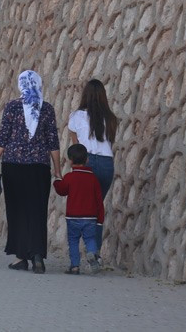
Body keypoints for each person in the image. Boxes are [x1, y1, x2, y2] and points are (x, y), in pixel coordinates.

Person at [0, 70, 61, 274]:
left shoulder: (12, 107)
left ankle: (21, 257)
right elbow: (53, 142)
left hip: (14, 166)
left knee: (17, 211)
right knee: (37, 210)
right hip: (39, 168)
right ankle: (37, 255)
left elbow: (3, 138)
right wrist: (57, 169)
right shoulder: (47, 109)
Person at [67, 79, 119, 256]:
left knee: (82, 208)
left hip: (86, 163)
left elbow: (76, 148)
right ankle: (94, 251)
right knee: (97, 208)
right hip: (106, 163)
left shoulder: (76, 116)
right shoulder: (111, 119)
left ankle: (83, 248)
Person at [53, 144, 104, 275]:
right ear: (87, 159)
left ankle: (75, 266)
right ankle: (92, 253)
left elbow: (62, 190)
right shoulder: (93, 179)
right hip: (90, 217)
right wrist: (100, 220)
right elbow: (99, 201)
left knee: (73, 241)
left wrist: (57, 180)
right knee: (90, 239)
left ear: (70, 161)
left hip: (73, 217)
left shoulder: (70, 177)